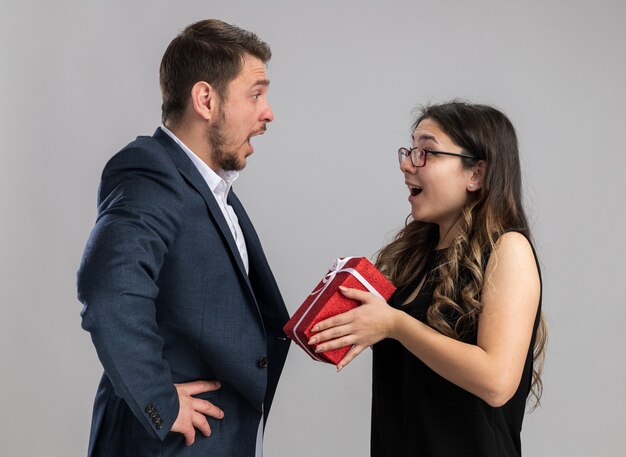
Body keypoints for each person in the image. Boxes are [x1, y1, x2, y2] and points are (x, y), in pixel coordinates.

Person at [77, 19, 290, 457]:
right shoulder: (150, 171)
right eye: (255, 94)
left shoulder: (208, 187)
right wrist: (159, 401)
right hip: (172, 445)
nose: (268, 112)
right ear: (206, 99)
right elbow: (109, 289)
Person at [308, 101, 547, 456]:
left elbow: (497, 381)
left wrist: (395, 324)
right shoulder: (415, 258)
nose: (407, 164)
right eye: (410, 150)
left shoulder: (508, 249)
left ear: (476, 174)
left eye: (427, 152)